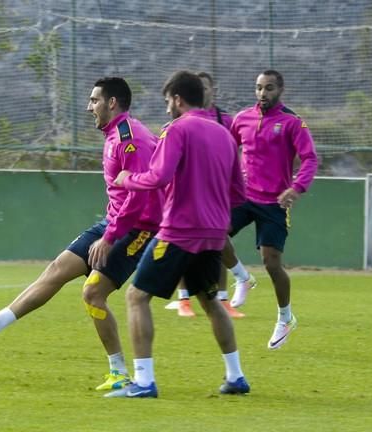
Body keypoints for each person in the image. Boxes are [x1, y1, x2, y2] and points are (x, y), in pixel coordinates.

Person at [0, 77, 163, 391]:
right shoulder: (114, 134)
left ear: (112, 102)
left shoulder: (129, 137)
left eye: (94, 100)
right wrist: (108, 231)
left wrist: (110, 238)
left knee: (93, 294)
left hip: (138, 227)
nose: (89, 107)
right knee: (58, 268)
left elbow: (141, 196)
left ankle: (119, 372)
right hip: (113, 222)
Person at [107, 70, 249, 398]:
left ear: (177, 99)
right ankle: (236, 376)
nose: (167, 108)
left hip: (178, 232)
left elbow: (157, 176)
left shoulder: (177, 129)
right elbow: (239, 193)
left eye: (167, 101)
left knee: (136, 296)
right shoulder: (225, 135)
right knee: (212, 301)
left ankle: (143, 382)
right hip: (213, 235)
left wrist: (127, 179)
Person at [226, 69, 318, 350]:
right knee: (211, 234)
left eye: (268, 88)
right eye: (258, 88)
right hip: (243, 197)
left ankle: (285, 317)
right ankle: (242, 277)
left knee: (272, 263)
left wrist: (296, 187)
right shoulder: (242, 119)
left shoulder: (291, 123)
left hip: (274, 203)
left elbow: (310, 159)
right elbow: (227, 149)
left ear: (280, 90)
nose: (262, 93)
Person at [173, 72, 256, 319]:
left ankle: (223, 298)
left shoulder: (226, 121)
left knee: (218, 243)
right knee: (181, 243)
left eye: (206, 87)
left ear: (212, 90)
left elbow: (235, 155)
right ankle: (184, 299)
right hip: (190, 192)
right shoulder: (181, 121)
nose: (203, 91)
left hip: (215, 193)